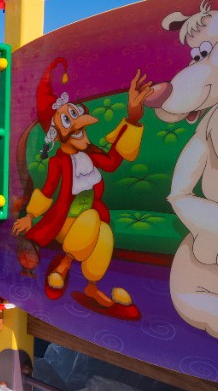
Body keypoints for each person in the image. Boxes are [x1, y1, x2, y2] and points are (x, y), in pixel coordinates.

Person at [11, 58, 151, 315]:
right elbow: (48, 190)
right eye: (68, 121)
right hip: (65, 222)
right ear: (57, 134)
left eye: (76, 115)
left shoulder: (92, 153)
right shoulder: (58, 163)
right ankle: (63, 264)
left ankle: (92, 286)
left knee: (104, 233)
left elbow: (112, 162)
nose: (78, 126)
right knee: (91, 218)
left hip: (91, 222)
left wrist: (132, 118)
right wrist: (31, 216)